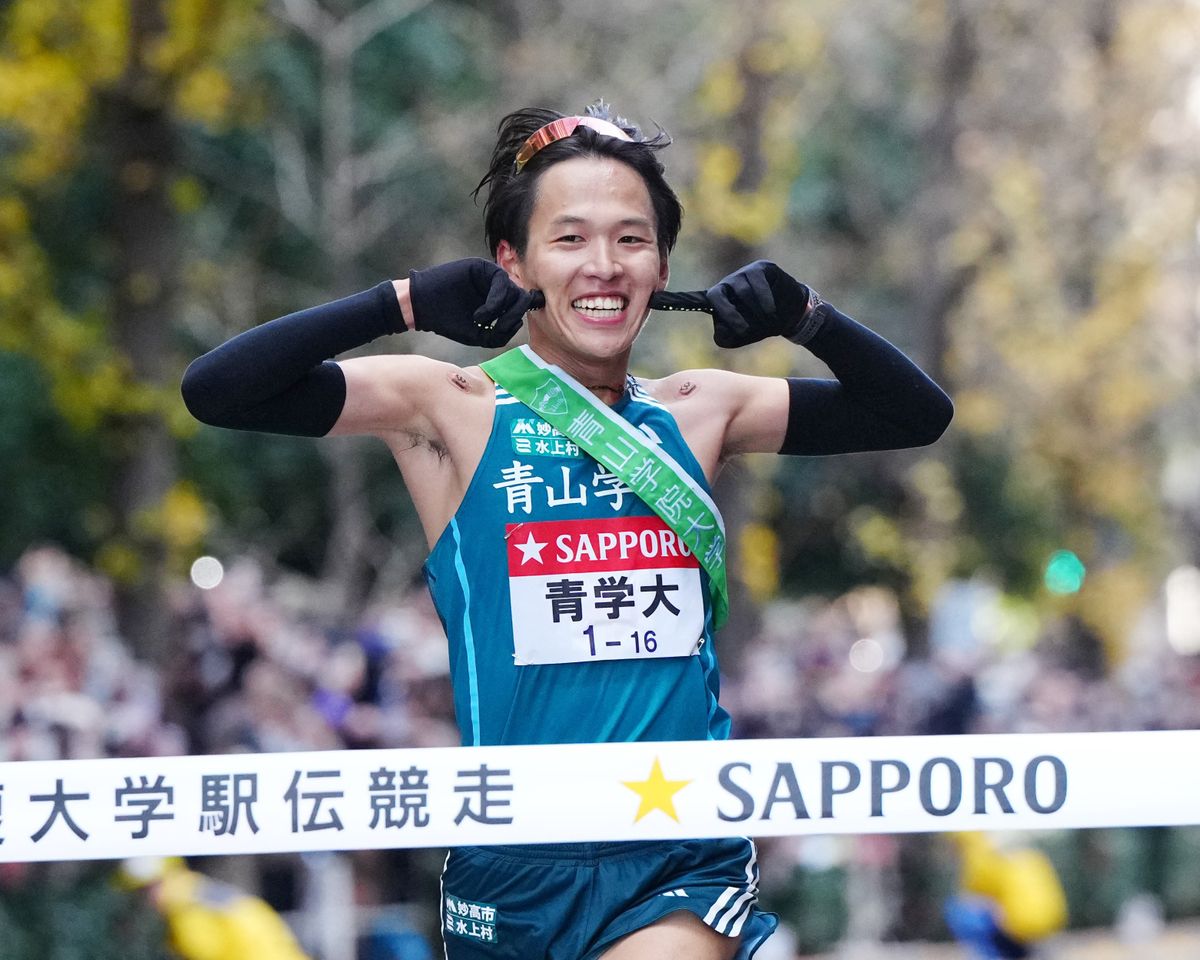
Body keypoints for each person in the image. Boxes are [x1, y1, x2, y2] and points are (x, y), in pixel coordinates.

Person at [182, 101, 953, 960]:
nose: (604, 266)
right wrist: (398, 301)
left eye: (632, 240)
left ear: (662, 267)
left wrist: (808, 317)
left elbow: (915, 414)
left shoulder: (701, 411)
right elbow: (218, 390)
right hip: (511, 860)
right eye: (570, 239)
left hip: (675, 852)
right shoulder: (451, 406)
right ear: (512, 263)